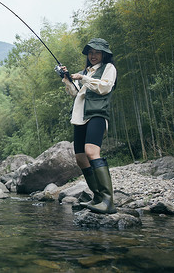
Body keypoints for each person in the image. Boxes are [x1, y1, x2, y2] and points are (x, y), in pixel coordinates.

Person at [61, 38, 117, 214]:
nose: (93, 55)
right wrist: (68, 79)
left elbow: (105, 88)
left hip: (97, 115)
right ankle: (98, 197)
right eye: (91, 53)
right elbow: (74, 94)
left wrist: (83, 78)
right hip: (79, 118)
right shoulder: (85, 72)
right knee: (80, 158)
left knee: (92, 152)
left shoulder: (109, 69)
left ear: (104, 54)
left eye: (97, 52)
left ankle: (108, 201)